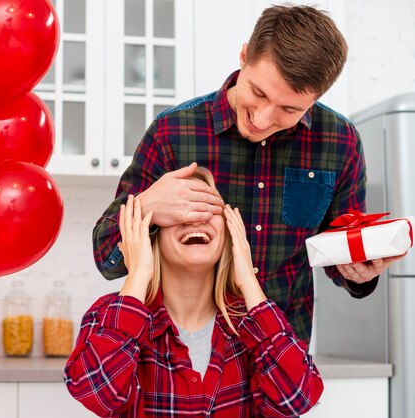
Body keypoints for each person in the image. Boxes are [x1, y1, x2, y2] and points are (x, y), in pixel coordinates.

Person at [92, 4, 402, 344]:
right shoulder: (173, 131)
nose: (264, 119)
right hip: (179, 364)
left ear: (315, 100)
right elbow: (107, 259)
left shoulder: (339, 141)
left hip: (279, 358)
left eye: (289, 109)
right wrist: (148, 206)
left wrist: (359, 271)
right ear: (244, 56)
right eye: (259, 93)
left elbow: (337, 252)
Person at [66, 167, 323, 417]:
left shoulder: (253, 325)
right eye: (181, 209)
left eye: (209, 207)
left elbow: (297, 399)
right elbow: (96, 393)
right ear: (151, 235)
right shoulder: (109, 314)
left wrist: (248, 281)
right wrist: (138, 274)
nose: (196, 218)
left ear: (228, 231)